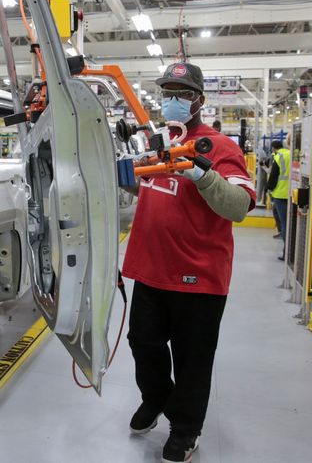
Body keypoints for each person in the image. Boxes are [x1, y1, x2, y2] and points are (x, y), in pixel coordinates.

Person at [121, 62, 256, 463]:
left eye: (182, 93)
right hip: (150, 269)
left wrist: (205, 176)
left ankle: (185, 429)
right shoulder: (158, 142)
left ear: (199, 99)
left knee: (193, 359)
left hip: (198, 277)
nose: (173, 100)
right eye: (168, 92)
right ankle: (158, 398)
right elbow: (141, 185)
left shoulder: (220, 147)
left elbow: (239, 207)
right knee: (142, 343)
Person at [266, 139, 290, 259]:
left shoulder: (278, 157)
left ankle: (287, 254)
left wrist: (268, 188)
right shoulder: (291, 154)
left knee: (285, 224)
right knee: (288, 222)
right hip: (292, 194)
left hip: (280, 194)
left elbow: (273, 175)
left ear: (273, 148)